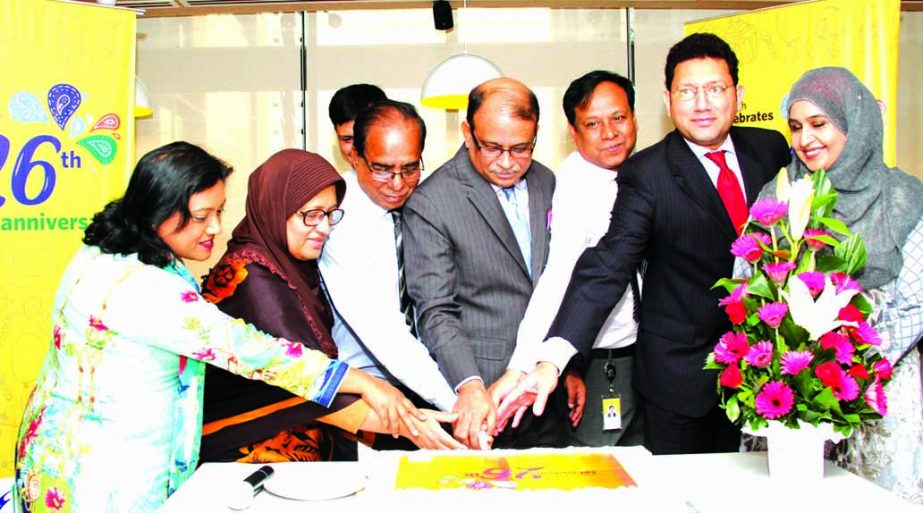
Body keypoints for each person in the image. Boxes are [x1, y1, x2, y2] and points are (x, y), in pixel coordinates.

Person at [12, 142, 427, 512]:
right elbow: (248, 349)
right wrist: (361, 381)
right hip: (103, 468)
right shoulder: (143, 288)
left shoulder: (108, 254)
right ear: (157, 211)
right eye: (200, 216)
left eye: (218, 212)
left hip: (61, 444)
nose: (214, 228)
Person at [496, 33, 791, 455]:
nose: (702, 103)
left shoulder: (771, 148)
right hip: (685, 379)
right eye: (688, 91)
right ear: (669, 100)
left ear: (737, 94)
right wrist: (551, 360)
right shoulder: (645, 174)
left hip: (770, 372)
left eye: (714, 89)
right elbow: (605, 267)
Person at [200, 148, 458, 464]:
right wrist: (414, 425)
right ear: (275, 207)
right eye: (311, 214)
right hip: (243, 446)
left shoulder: (291, 266)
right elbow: (302, 379)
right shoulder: (252, 280)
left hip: (301, 429)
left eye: (330, 214)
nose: (323, 227)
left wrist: (412, 418)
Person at [778, 67, 923, 503]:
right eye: (797, 127)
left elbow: (915, 302)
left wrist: (853, 366)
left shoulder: (904, 197)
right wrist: (804, 368)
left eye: (820, 125)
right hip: (796, 388)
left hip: (881, 386)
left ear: (855, 123)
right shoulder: (782, 194)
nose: (806, 140)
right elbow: (751, 282)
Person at [403, 77, 568, 450]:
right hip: (482, 396)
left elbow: (558, 280)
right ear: (467, 132)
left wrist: (562, 364)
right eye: (493, 148)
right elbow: (435, 310)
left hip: (544, 390)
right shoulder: (433, 201)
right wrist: (470, 385)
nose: (508, 163)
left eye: (521, 148)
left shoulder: (547, 181)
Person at [496, 70, 643, 448]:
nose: (609, 132)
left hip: (648, 358)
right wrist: (526, 364)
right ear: (573, 134)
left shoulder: (645, 174)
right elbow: (559, 278)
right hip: (595, 361)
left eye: (619, 118)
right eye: (592, 124)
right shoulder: (574, 189)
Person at [319, 100, 463, 450]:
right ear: (355, 156)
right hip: (366, 396)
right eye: (382, 169)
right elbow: (384, 332)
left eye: (410, 168)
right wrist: (458, 407)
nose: (398, 183)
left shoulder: (428, 197)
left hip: (432, 379)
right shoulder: (336, 218)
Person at [329, 83, 387, 165]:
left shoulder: (406, 177)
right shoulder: (336, 178)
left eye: (364, 137)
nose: (356, 148)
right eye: (347, 139)